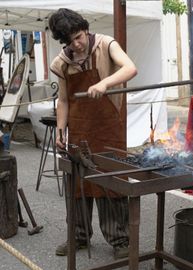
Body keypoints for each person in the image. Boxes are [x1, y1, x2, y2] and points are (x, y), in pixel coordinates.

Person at [48, 8, 137, 259]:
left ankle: (120, 239)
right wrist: (60, 129)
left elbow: (130, 68)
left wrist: (105, 83)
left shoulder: (106, 44)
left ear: (85, 29)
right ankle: (78, 237)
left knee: (112, 180)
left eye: (79, 36)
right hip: (80, 127)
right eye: (70, 41)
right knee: (77, 183)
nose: (76, 44)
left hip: (109, 128)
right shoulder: (62, 63)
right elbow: (64, 100)